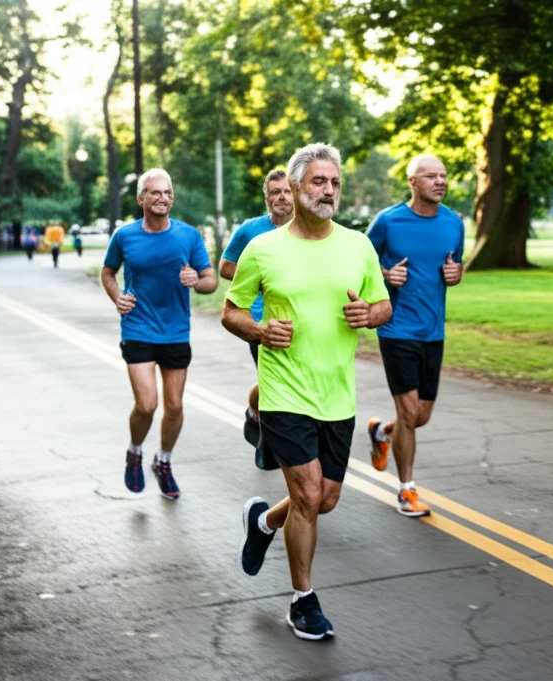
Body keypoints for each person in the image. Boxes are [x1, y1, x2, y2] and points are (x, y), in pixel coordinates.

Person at [223, 143, 390, 641]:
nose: (329, 191)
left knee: (324, 501)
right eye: (319, 182)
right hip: (284, 392)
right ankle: (303, 601)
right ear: (294, 188)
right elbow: (232, 310)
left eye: (335, 182)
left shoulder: (358, 245)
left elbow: (381, 307)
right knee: (309, 493)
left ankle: (263, 524)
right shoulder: (264, 248)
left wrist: (370, 315)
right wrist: (259, 331)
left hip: (336, 394)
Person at [100, 168, 217, 499]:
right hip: (137, 326)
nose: (163, 198)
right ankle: (135, 450)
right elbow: (108, 272)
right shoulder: (125, 236)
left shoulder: (189, 236)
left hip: (176, 330)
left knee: (175, 406)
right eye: (155, 193)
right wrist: (117, 296)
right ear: (141, 199)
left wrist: (198, 281)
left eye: (167, 193)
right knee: (148, 405)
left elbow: (211, 281)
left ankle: (163, 460)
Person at [364, 154, 465, 518]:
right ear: (412, 182)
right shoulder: (389, 222)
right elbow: (359, 261)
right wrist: (385, 275)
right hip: (396, 327)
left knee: (420, 416)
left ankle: (382, 432)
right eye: (431, 176)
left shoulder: (454, 222)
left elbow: (455, 266)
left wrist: (457, 273)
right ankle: (406, 491)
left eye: (443, 176)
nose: (440, 181)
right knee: (408, 413)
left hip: (433, 330)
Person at [219, 167, 294, 470]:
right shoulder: (251, 230)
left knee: (285, 385)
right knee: (275, 384)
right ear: (266, 197)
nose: (281, 197)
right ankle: (270, 444)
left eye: (287, 191)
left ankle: (256, 412)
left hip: (301, 319)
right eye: (275, 192)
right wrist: (258, 278)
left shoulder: (313, 228)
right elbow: (226, 267)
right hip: (261, 321)